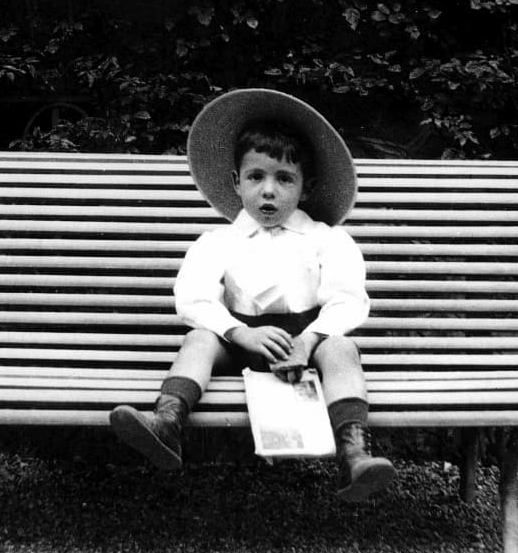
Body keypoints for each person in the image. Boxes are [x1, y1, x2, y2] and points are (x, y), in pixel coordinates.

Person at [110, 88, 395, 502]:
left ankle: (355, 455)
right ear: (236, 182)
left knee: (343, 349)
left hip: (306, 342)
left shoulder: (325, 239)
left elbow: (348, 299)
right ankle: (167, 423)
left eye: (284, 179)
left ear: (306, 187)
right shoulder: (218, 241)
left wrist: (309, 340)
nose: (268, 191)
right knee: (197, 338)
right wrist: (238, 332)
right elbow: (193, 298)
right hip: (239, 342)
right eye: (256, 176)